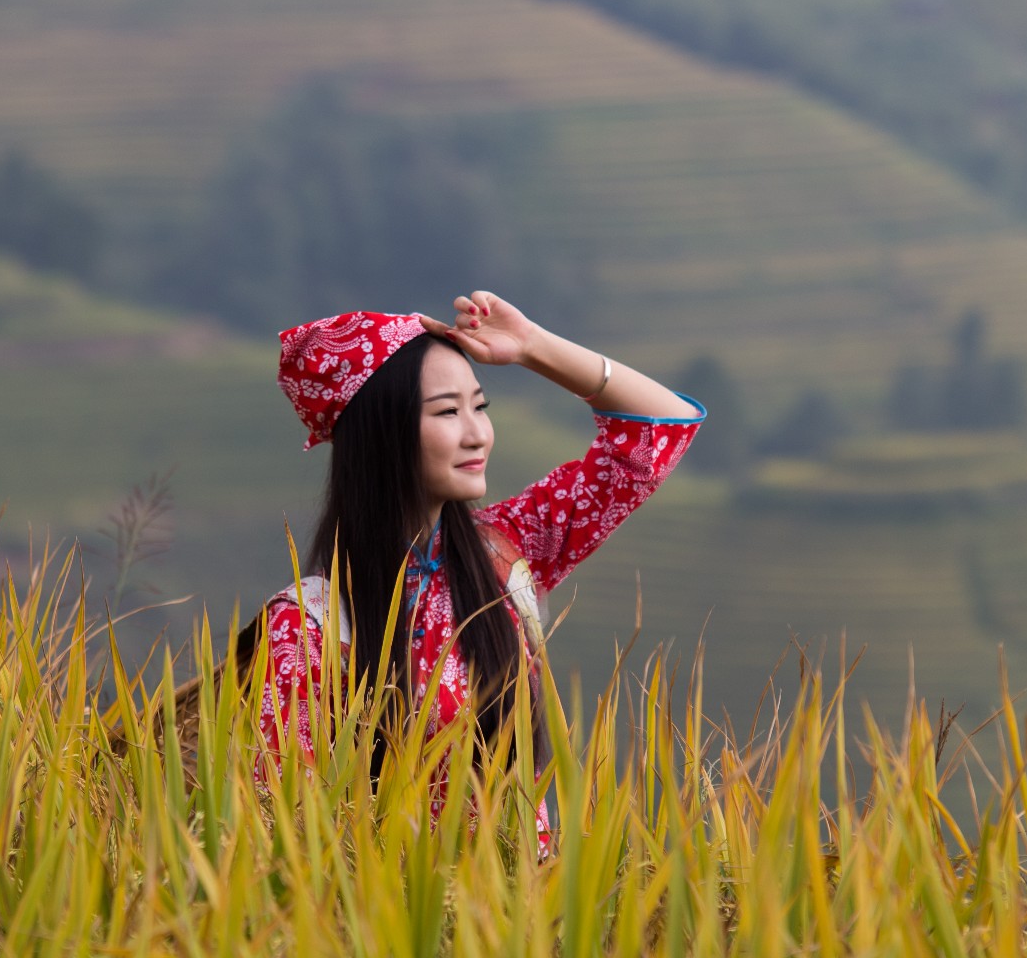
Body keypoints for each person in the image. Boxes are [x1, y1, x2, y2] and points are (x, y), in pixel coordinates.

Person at [261, 291, 705, 856]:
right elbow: (288, 834)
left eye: (481, 406)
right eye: (448, 412)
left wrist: (531, 347)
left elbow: (658, 429)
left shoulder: (507, 550)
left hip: (528, 921)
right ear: (380, 435)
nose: (478, 434)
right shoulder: (308, 629)